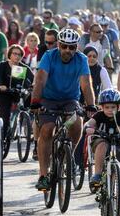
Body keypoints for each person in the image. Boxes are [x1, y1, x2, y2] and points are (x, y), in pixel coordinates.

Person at [31, 28, 97, 191]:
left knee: (76, 123)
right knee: (47, 129)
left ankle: (68, 155)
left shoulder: (81, 59)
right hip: (48, 98)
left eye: (72, 47)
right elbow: (40, 80)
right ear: (59, 45)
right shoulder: (49, 56)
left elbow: (86, 84)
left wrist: (91, 106)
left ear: (76, 47)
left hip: (70, 99)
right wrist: (35, 102)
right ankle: (43, 175)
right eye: (64, 46)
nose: (68, 50)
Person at [0, 45, 34, 137]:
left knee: (29, 103)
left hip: (18, 93)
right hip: (4, 94)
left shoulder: (24, 68)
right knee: (5, 115)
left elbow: (32, 79)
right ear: (10, 54)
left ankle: (27, 123)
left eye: (19, 54)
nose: (17, 56)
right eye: (15, 54)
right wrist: (1, 86)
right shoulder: (3, 65)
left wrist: (32, 86)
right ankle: (2, 136)